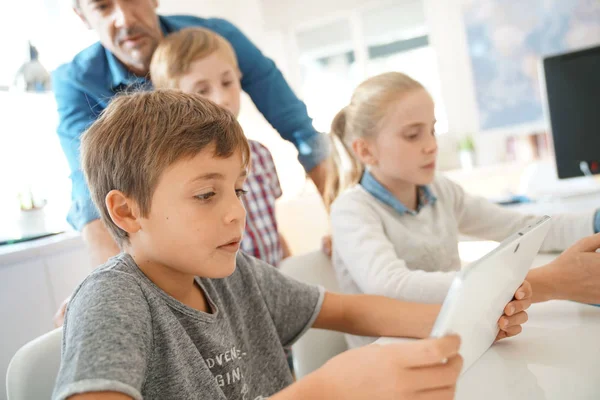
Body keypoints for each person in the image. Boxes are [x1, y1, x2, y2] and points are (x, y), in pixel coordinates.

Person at [52, 91, 531, 400]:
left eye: (238, 190)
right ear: (127, 212)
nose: (235, 211)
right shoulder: (112, 300)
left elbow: (354, 312)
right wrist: (322, 391)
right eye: (205, 194)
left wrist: (473, 314)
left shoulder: (235, 274)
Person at [326, 71, 600, 348]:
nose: (432, 146)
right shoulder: (352, 210)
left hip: (455, 341)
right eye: (413, 135)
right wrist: (543, 282)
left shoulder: (439, 190)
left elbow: (518, 226)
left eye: (432, 130)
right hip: (387, 361)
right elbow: (393, 287)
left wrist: (595, 222)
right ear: (365, 151)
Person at [52, 0, 328, 270]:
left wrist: (343, 226)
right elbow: (87, 186)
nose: (124, 18)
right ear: (82, 16)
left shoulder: (218, 39)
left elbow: (303, 132)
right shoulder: (76, 80)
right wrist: (109, 284)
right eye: (102, 6)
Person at [149, 27, 290, 266]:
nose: (222, 98)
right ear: (173, 99)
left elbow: (273, 231)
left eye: (227, 82)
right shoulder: (177, 174)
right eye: (202, 90)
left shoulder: (261, 155)